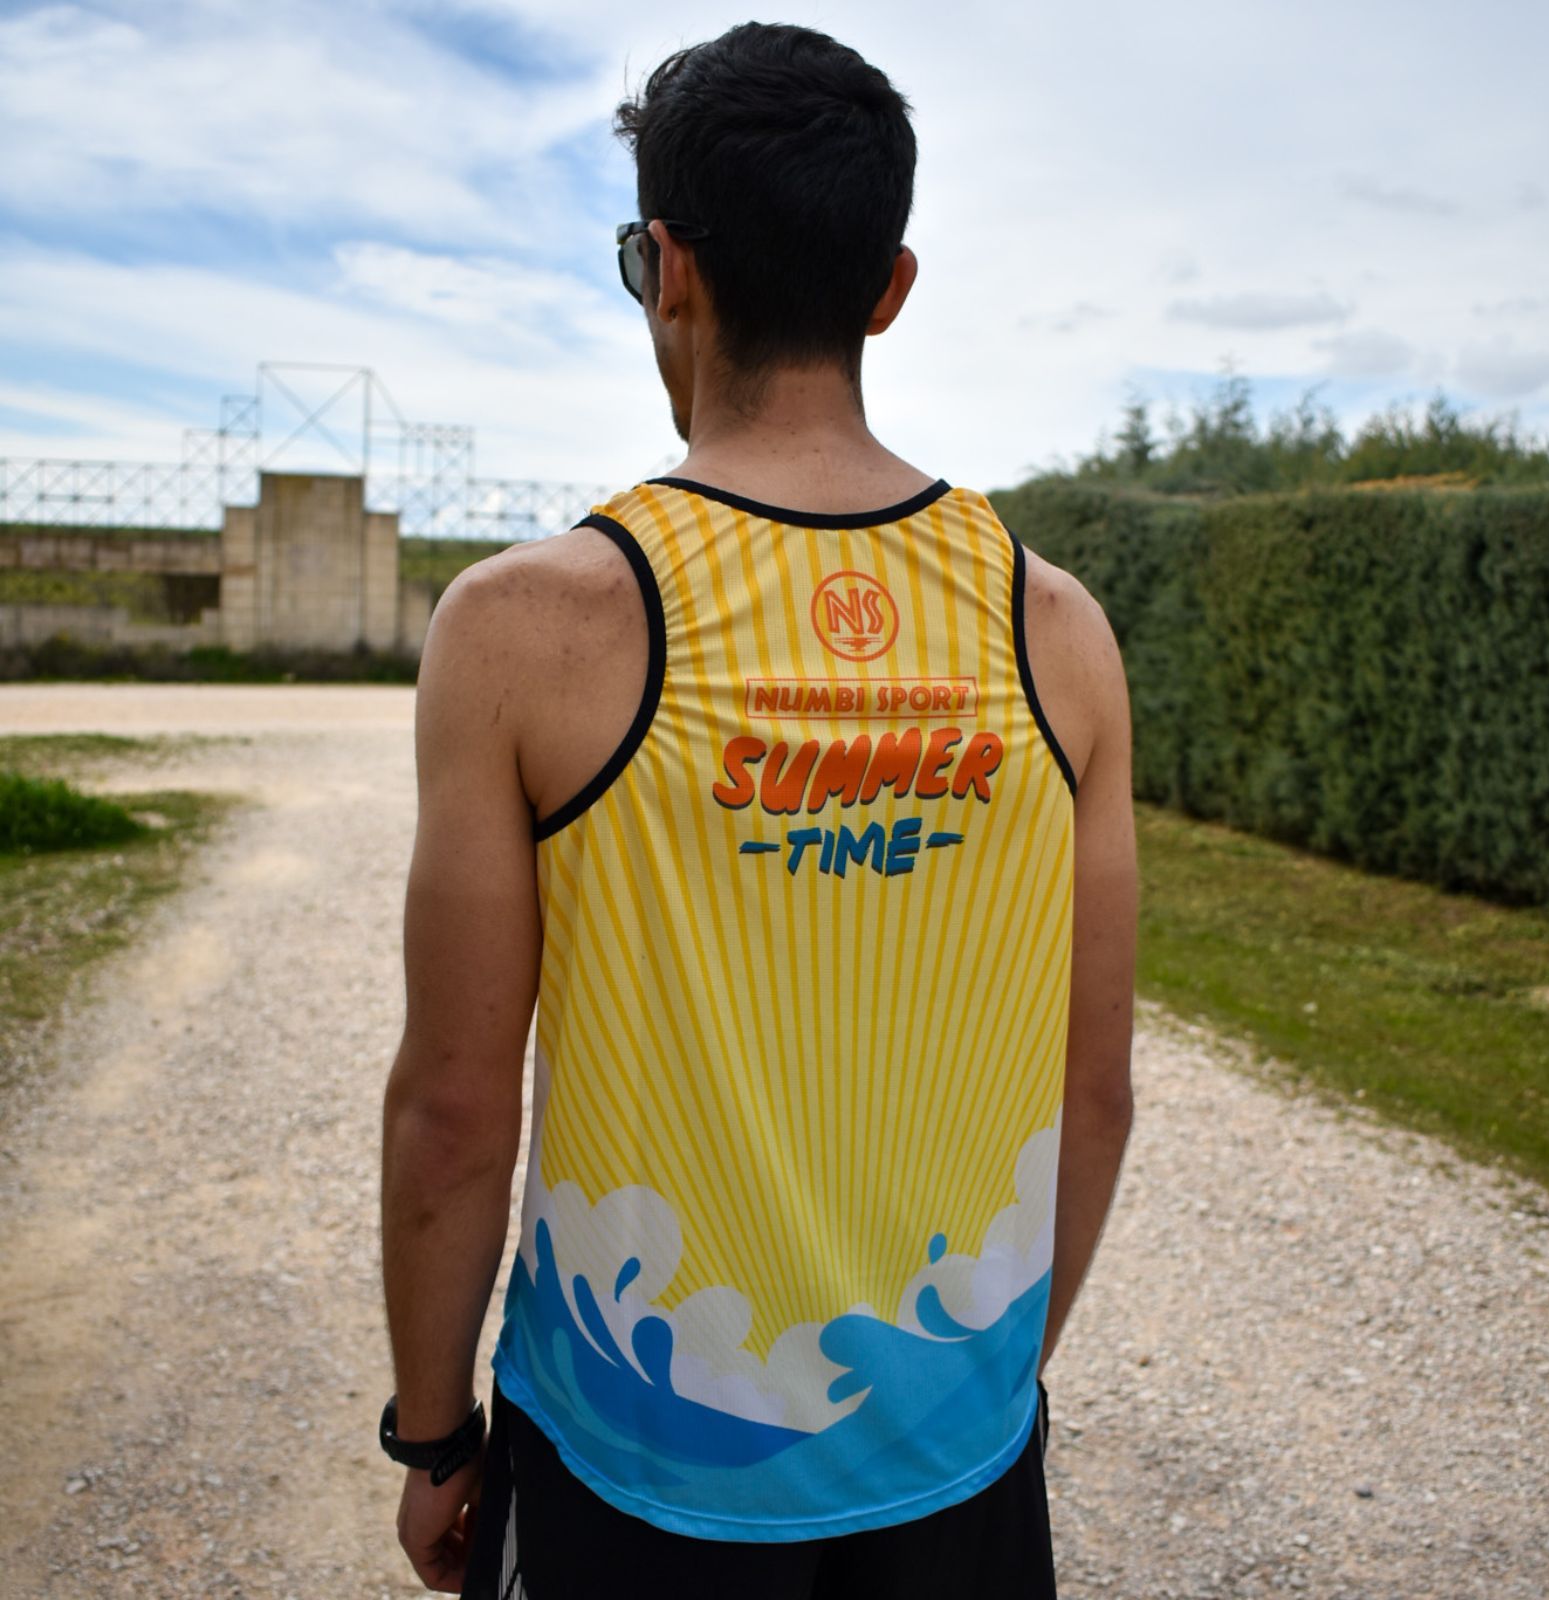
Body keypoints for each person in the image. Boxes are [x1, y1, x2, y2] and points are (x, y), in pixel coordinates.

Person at [379, 20, 1137, 1598]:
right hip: (957, 1459)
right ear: (888, 288)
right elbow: (1096, 1091)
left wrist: (434, 1433)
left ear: (669, 269)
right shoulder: (1054, 628)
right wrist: (987, 1381)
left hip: (631, 1467)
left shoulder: (524, 625)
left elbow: (453, 1109)